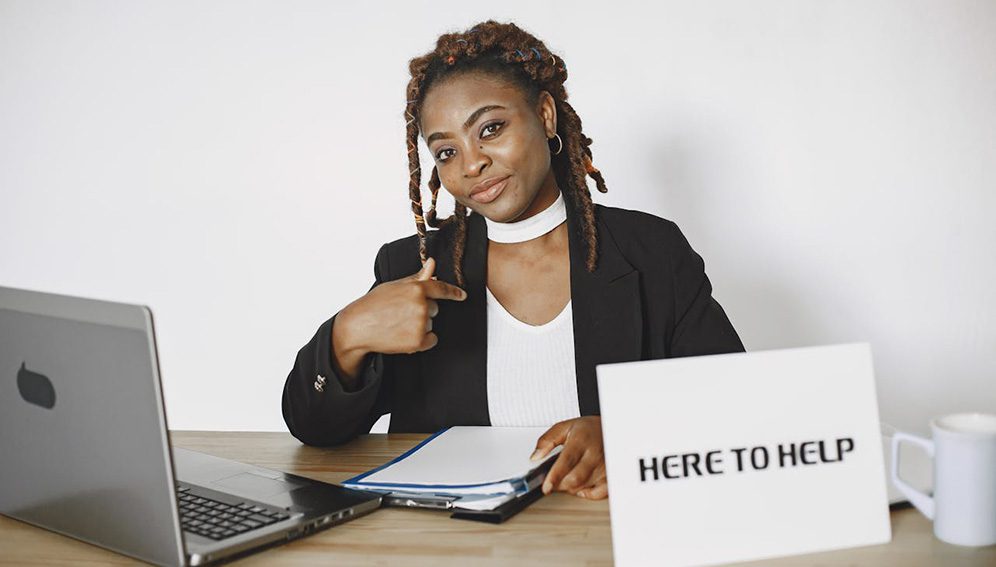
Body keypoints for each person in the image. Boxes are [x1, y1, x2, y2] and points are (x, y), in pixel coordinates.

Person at [282, 20, 744, 500]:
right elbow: (314, 430)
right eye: (445, 150)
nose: (471, 163)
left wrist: (629, 435)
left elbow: (734, 400)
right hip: (456, 540)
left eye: (491, 128)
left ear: (545, 115)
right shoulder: (412, 267)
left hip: (603, 529)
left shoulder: (651, 250)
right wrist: (346, 335)